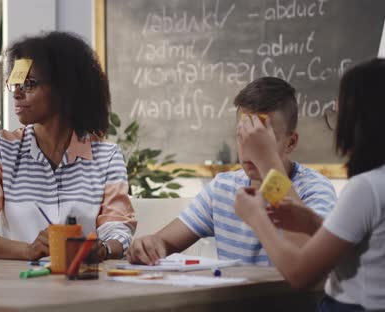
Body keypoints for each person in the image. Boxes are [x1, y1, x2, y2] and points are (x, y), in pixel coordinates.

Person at [0, 31, 136, 261]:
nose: (17, 94)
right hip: (19, 289)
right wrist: (27, 251)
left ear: (65, 89)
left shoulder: (107, 156)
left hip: (83, 286)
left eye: (29, 84)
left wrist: (102, 249)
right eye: (14, 84)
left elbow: (118, 229)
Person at [128, 77, 336, 265]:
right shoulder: (223, 188)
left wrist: (268, 165)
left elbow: (310, 257)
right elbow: (163, 242)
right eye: (243, 135)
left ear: (291, 143)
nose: (250, 148)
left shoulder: (314, 189)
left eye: (263, 139)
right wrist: (151, 246)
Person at [234, 58, 385, 311]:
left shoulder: (366, 188)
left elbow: (300, 275)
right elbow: (365, 245)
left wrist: (256, 217)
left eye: (339, 112)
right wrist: (314, 223)